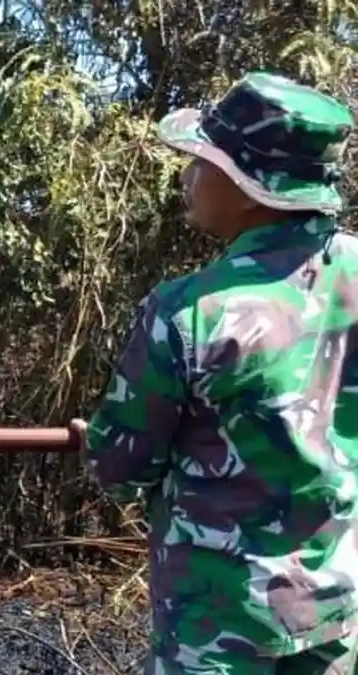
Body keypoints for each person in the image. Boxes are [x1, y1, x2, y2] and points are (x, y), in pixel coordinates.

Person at [78, 71, 358, 674]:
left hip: (219, 627)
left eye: (202, 161)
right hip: (338, 615)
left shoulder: (190, 311)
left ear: (251, 188)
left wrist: (95, 440)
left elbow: (121, 465)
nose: (188, 177)